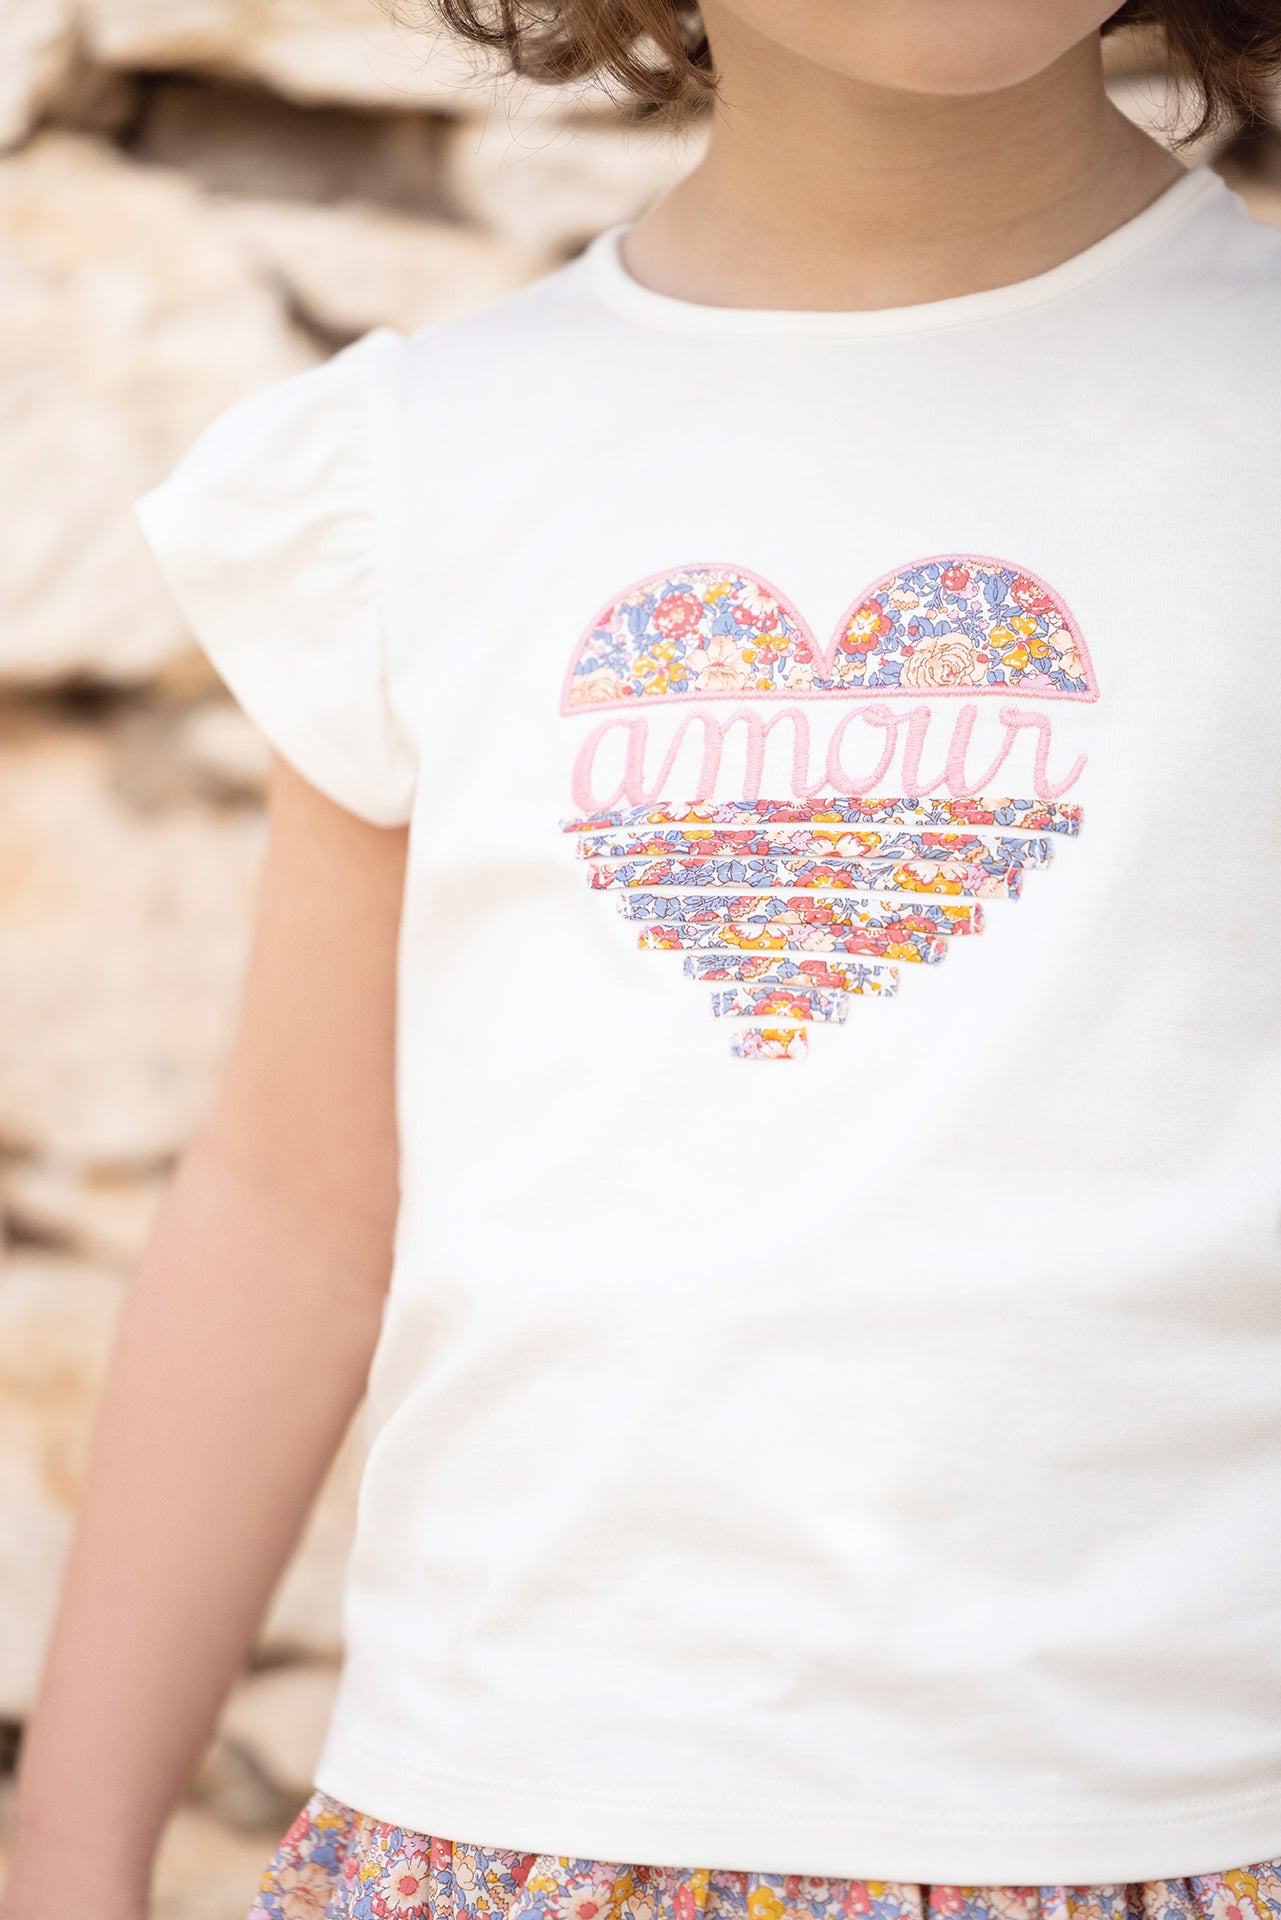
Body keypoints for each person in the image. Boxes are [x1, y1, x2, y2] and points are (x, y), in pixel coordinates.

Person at [6, 2, 1281, 1916]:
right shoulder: (422, 466)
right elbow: (294, 1203)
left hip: (1180, 1833)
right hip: (510, 1837)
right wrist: (67, 1859)